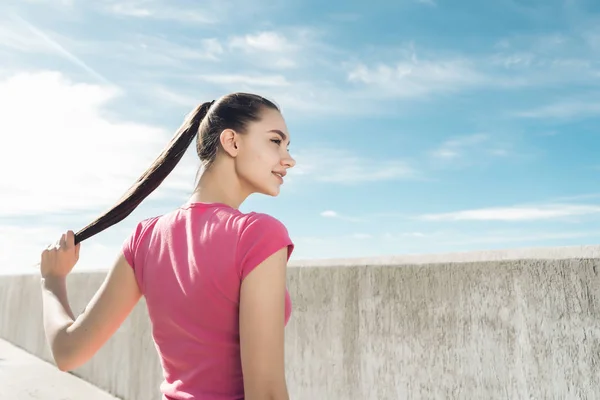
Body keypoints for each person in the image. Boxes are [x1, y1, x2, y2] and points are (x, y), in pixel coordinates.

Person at [38, 93, 297, 400]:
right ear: (232, 142)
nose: (288, 159)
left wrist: (52, 280)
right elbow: (265, 393)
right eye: (275, 141)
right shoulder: (258, 235)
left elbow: (68, 352)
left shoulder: (144, 238)